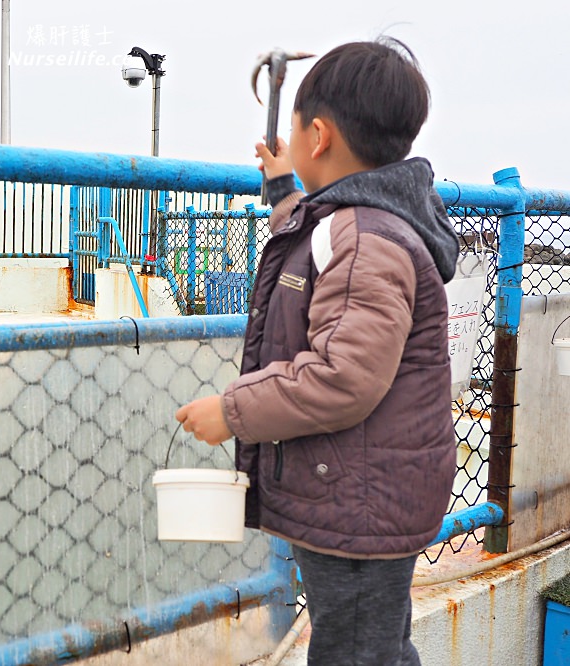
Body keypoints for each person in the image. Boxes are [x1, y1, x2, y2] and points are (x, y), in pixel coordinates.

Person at [175, 38, 459, 665]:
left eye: (298, 129)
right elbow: (316, 241)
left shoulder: (365, 239)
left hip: (356, 504)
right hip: (363, 492)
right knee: (374, 645)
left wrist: (232, 410)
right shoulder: (363, 221)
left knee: (356, 653)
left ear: (320, 136)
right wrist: (283, 187)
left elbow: (343, 378)